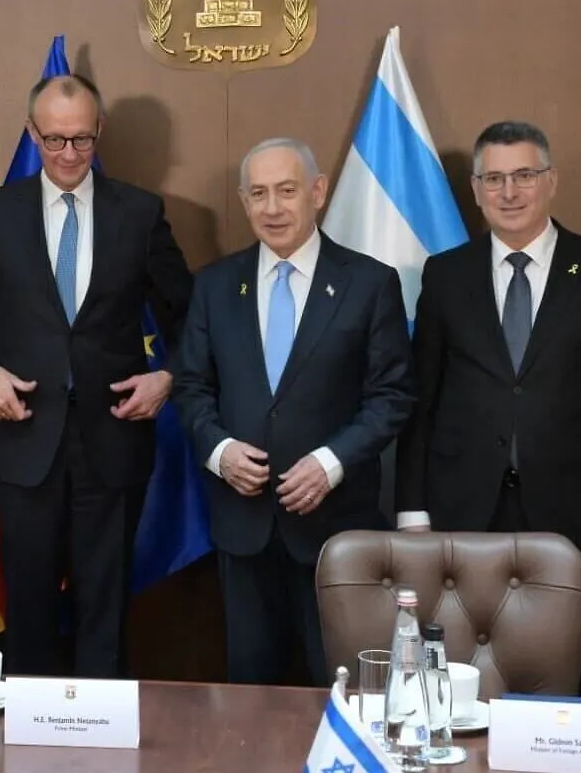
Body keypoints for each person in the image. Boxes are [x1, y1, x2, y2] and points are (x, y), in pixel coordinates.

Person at [394, 121, 581, 695]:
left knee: (576, 671)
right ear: (476, 189)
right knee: (461, 673)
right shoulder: (446, 274)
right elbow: (422, 400)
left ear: (551, 180)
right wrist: (412, 510)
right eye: (494, 179)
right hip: (465, 507)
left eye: (524, 176)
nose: (509, 192)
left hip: (576, 511)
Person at [0, 73, 192, 678]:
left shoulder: (140, 213)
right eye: (54, 139)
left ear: (99, 131)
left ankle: (100, 727)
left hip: (113, 439)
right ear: (32, 133)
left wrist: (167, 378)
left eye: (81, 139)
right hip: (24, 436)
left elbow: (192, 317)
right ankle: (30, 728)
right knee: (28, 605)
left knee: (104, 608)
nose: (67, 154)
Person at [173, 138, 413, 687]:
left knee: (338, 689)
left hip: (335, 528)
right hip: (243, 524)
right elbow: (190, 386)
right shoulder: (215, 285)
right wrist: (219, 451)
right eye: (258, 194)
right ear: (243, 201)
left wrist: (331, 463)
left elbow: (392, 395)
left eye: (286, 190)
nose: (273, 207)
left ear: (318, 192)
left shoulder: (369, 283)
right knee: (249, 691)